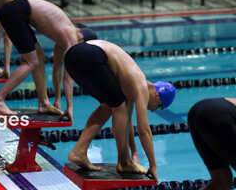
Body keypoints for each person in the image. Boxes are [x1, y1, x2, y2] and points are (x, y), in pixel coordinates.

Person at [64, 40, 176, 183]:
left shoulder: (128, 86)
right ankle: (123, 162)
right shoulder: (141, 86)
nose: (154, 110)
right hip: (90, 55)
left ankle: (79, 152)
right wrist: (153, 166)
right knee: (118, 107)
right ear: (156, 95)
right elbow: (144, 131)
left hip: (74, 56)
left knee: (108, 106)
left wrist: (134, 152)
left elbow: (126, 121)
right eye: (159, 106)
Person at [0, 0, 98, 117]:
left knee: (39, 56)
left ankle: (44, 104)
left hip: (16, 11)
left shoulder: (64, 39)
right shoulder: (72, 38)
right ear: (81, 39)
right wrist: (70, 107)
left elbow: (58, 69)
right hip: (16, 11)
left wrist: (57, 100)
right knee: (31, 62)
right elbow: (68, 78)